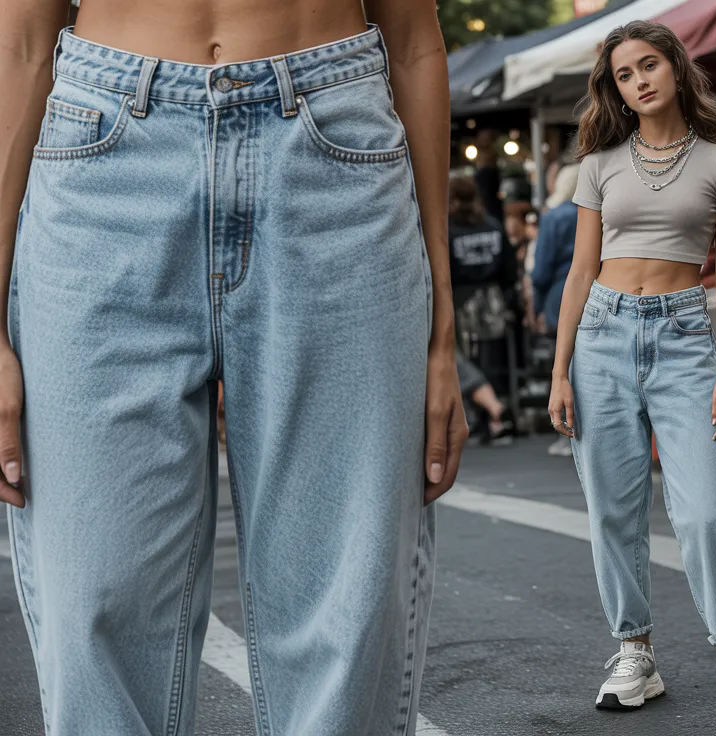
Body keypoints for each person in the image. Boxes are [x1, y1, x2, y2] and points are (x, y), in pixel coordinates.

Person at [0, 1, 468, 734]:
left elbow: (412, 40)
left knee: (349, 610)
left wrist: (443, 327)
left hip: (333, 151)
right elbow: (22, 43)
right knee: (92, 606)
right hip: (102, 161)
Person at [549, 19, 716, 723]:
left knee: (706, 510)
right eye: (624, 73)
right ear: (613, 87)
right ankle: (634, 651)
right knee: (613, 510)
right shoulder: (599, 163)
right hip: (602, 338)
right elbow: (581, 270)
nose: (639, 80)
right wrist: (560, 370)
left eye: (649, 65)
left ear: (675, 67)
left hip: (684, 336)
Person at [448, 176, 518, 435]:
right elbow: (509, 268)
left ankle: (479, 416)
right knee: (494, 356)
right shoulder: (492, 225)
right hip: (493, 298)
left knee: (463, 357)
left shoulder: (447, 228)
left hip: (460, 299)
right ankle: (497, 413)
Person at [533, 162, 580, 458]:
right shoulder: (591, 211)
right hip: (597, 292)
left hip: (559, 295)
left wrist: (536, 306)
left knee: (562, 364)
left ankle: (566, 429)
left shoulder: (555, 217)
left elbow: (541, 270)